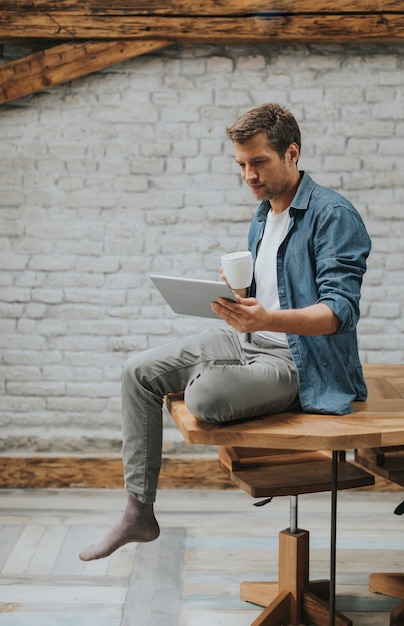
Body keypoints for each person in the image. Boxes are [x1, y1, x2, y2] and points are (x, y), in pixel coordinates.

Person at [79, 103, 371, 561]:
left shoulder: (333, 215)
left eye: (259, 162)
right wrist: (238, 291)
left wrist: (265, 320)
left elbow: (338, 312)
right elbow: (271, 293)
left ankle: (218, 377)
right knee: (137, 371)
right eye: (241, 165)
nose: (249, 176)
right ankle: (139, 512)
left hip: (300, 361)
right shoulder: (264, 213)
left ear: (291, 153)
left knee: (205, 399)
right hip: (247, 340)